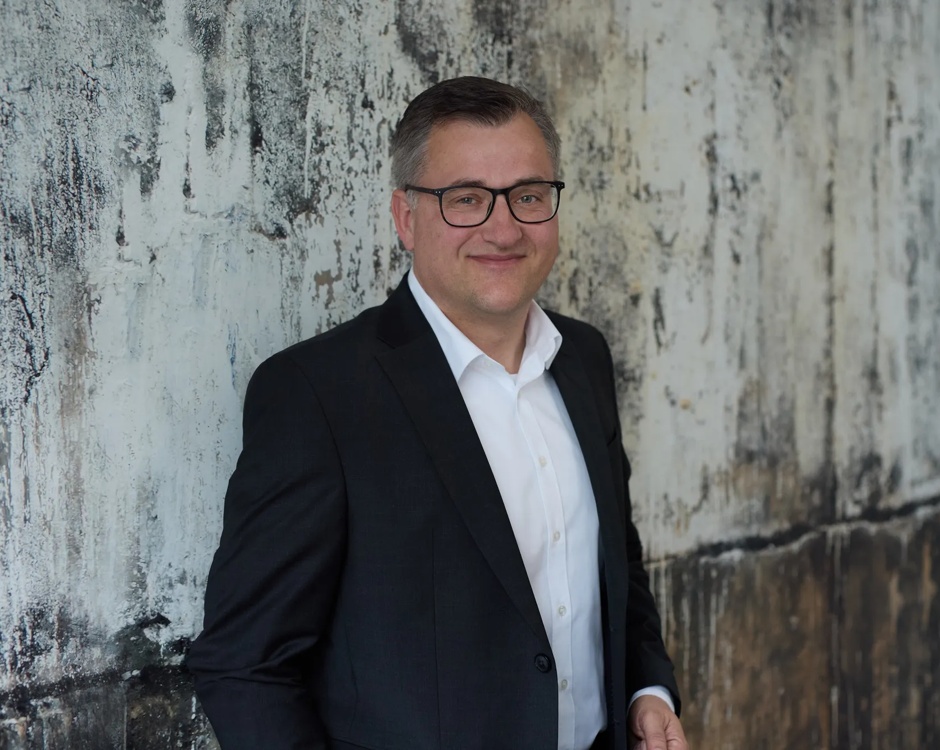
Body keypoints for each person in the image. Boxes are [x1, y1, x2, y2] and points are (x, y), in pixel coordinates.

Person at [187, 76, 688, 750]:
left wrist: (646, 691)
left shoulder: (583, 360)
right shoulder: (317, 393)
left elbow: (614, 565)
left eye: (528, 196)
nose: (504, 227)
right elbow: (245, 665)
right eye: (467, 199)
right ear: (406, 217)